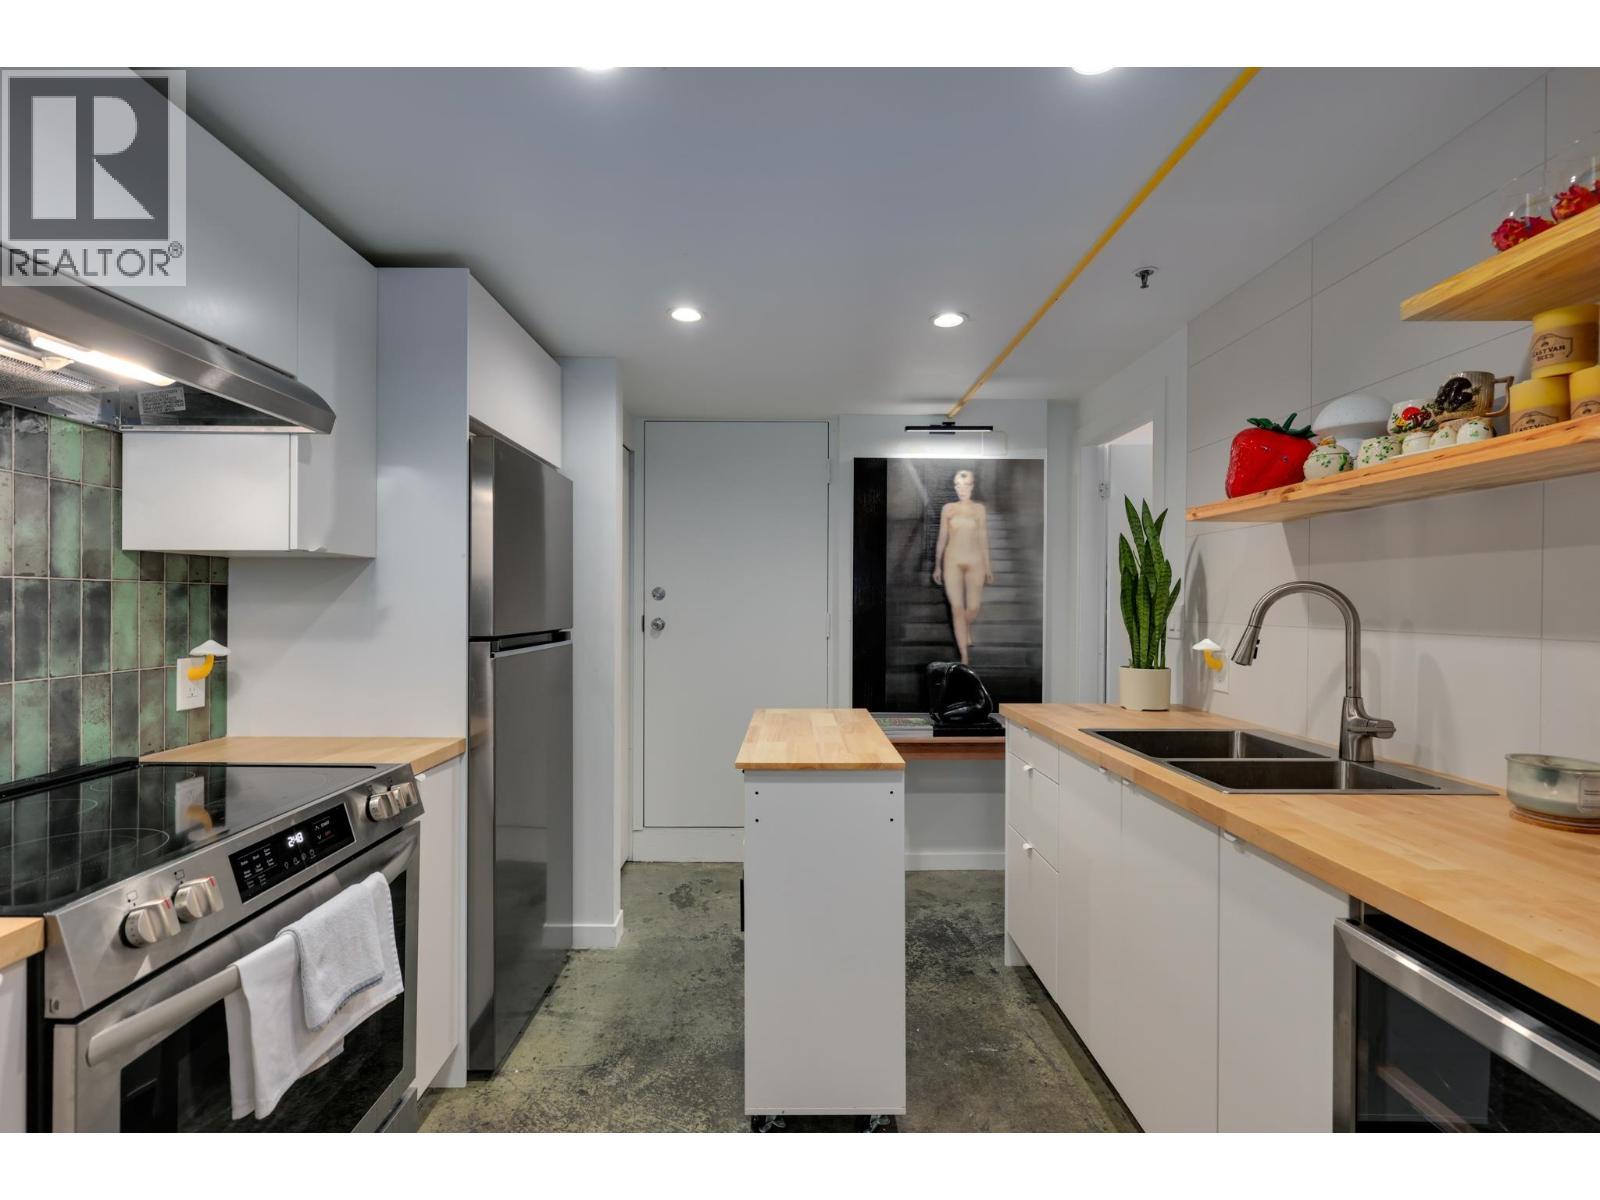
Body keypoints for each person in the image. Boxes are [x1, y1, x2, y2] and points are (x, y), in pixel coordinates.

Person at [931, 468, 992, 665]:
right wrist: (937, 566)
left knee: (973, 607)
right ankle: (964, 656)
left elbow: (983, 538)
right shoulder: (948, 509)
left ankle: (964, 630)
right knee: (957, 608)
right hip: (952, 561)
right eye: (958, 485)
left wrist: (988, 566)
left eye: (966, 484)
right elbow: (942, 538)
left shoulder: (979, 510)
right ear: (955, 487)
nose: (962, 489)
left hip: (975, 562)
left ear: (972, 486)